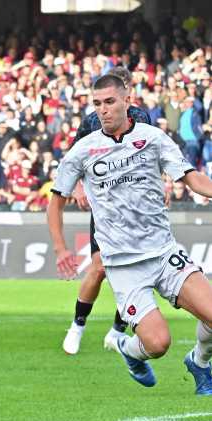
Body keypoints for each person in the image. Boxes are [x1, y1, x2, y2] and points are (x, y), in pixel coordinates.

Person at [48, 74, 212, 395]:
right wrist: (60, 249)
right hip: (124, 267)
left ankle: (201, 362)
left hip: (164, 253)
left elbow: (193, 179)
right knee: (158, 343)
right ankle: (128, 348)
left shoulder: (154, 137)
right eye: (97, 104)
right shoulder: (82, 150)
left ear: (127, 99)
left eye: (110, 101)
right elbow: (55, 204)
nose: (103, 110)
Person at [61, 66, 152, 355]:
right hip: (104, 208)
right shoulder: (90, 122)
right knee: (99, 268)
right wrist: (76, 187)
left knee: (134, 273)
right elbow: (73, 158)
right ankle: (77, 326)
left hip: (136, 211)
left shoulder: (142, 118)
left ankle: (117, 331)